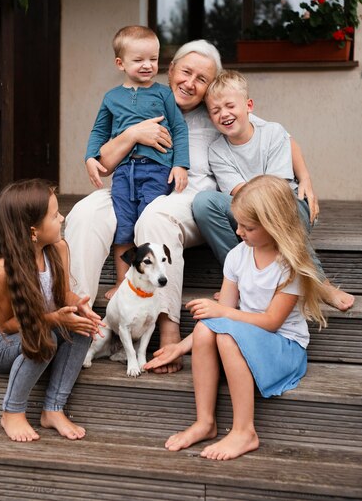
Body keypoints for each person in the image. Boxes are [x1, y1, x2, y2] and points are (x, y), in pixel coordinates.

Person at [65, 39, 349, 374]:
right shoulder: (136, 100)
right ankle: (76, 315)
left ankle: (168, 325)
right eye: (186, 72)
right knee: (84, 213)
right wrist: (132, 134)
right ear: (170, 71)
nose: (190, 83)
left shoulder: (215, 113)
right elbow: (104, 162)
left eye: (202, 79)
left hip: (184, 200)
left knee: (155, 216)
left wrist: (305, 178)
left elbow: (277, 134)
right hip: (130, 189)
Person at [145, 175, 328, 460]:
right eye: (238, 223)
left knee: (228, 336)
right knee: (207, 328)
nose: (239, 231)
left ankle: (245, 431)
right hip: (246, 335)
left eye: (248, 227)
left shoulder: (290, 265)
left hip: (283, 347)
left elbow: (270, 322)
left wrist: (224, 312)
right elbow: (220, 316)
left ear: (274, 225)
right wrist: (180, 347)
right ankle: (205, 422)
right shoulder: (237, 257)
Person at [191, 69, 350, 306]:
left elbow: (277, 192)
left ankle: (319, 283)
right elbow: (242, 195)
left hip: (289, 208)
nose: (224, 114)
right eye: (215, 111)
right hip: (250, 214)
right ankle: (242, 278)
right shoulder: (217, 151)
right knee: (204, 203)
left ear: (249, 105)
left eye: (230, 106)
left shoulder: (273, 133)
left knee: (282, 209)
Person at [0, 179, 103, 442]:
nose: (63, 218)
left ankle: (53, 408)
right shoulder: (3, 270)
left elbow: (62, 293)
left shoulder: (58, 248)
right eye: (55, 215)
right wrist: (53, 319)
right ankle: (12, 411)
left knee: (83, 331)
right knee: (46, 338)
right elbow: (7, 325)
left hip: (39, 328)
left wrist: (79, 304)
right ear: (33, 231)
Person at [85, 25, 189, 299]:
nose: (148, 65)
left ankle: (149, 280)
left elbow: (179, 128)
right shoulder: (111, 97)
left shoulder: (163, 94)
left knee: (146, 223)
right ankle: (123, 282)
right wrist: (91, 157)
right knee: (123, 225)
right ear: (120, 63)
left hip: (157, 170)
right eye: (139, 60)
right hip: (123, 172)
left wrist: (180, 164)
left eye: (153, 59)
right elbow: (98, 131)